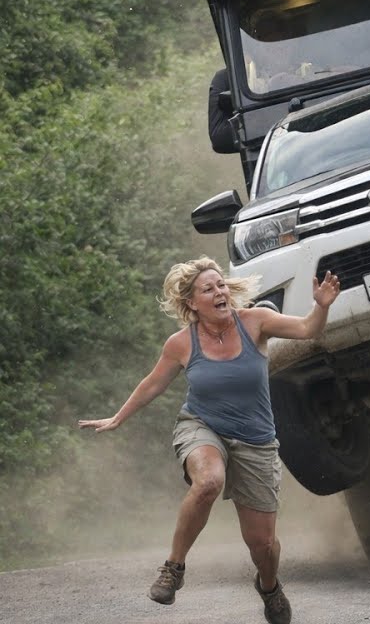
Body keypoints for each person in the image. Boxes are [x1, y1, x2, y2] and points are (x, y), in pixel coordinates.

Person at [79, 257, 341, 624]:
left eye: (221, 285)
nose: (219, 292)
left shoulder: (255, 322)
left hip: (256, 441)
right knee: (208, 482)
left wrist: (321, 306)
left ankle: (268, 586)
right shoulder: (180, 344)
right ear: (191, 303)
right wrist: (117, 418)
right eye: (209, 289)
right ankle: (173, 568)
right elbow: (153, 383)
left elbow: (308, 329)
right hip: (202, 427)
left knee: (263, 546)